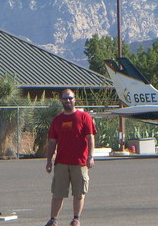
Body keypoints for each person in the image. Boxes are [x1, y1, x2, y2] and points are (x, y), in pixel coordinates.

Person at [45, 89, 97, 226]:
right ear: (61, 100)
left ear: (74, 99)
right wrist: (49, 161)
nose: (68, 101)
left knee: (79, 193)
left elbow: (90, 137)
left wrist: (91, 156)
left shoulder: (84, 117)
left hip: (80, 162)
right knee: (58, 192)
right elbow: (52, 141)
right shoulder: (57, 120)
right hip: (61, 162)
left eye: (70, 98)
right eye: (65, 98)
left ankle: (76, 219)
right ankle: (53, 220)